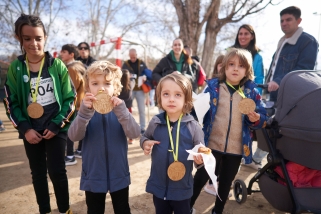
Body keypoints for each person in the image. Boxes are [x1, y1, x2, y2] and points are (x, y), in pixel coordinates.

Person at [3, 14, 76, 214]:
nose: (33, 43)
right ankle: (44, 210)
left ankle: (64, 209)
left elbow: (70, 99)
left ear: (45, 37)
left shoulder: (57, 65)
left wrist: (56, 125)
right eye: (27, 38)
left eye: (38, 38)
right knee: (38, 173)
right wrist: (25, 129)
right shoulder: (16, 68)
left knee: (57, 171)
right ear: (20, 39)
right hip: (31, 131)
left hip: (55, 127)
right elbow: (11, 102)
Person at [190, 48, 268, 214]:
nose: (235, 68)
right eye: (231, 64)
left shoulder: (252, 93)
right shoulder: (212, 88)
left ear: (247, 70)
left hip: (236, 148)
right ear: (224, 67)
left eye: (241, 66)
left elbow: (262, 114)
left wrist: (257, 119)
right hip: (211, 145)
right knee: (201, 177)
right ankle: (187, 206)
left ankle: (217, 210)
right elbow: (197, 109)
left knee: (226, 183)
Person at [250, 6, 319, 170]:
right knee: (268, 125)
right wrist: (268, 83)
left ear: (299, 21)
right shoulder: (283, 42)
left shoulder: (307, 41)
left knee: (277, 127)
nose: (284, 23)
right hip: (274, 93)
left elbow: (303, 70)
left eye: (288, 20)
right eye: (282, 20)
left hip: (291, 96)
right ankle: (259, 158)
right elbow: (274, 68)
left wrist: (279, 81)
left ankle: (271, 161)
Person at [68, 61, 140, 214]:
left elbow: (134, 133)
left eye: (107, 83)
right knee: (94, 210)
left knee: (122, 209)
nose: (101, 88)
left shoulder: (121, 109)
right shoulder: (85, 110)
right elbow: (74, 136)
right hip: (93, 175)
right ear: (88, 87)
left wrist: (122, 112)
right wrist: (84, 114)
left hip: (119, 173)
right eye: (95, 83)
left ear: (115, 87)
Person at [141, 73, 204, 214]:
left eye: (178, 95)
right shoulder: (155, 122)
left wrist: (200, 159)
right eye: (166, 94)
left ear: (186, 99)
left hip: (182, 189)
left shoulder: (194, 127)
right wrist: (145, 143)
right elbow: (144, 137)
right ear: (159, 97)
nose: (171, 99)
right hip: (158, 187)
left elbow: (201, 153)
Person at [60, 44, 86, 165]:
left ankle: (70, 156)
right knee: (80, 127)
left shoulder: (71, 68)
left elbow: (72, 89)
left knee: (69, 129)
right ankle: (79, 150)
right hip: (82, 102)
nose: (61, 53)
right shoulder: (79, 65)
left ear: (71, 54)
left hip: (75, 103)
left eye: (64, 52)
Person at [232, 24, 264, 94]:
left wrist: (256, 99)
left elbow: (259, 80)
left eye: (246, 34)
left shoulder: (257, 57)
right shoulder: (229, 53)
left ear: (252, 36)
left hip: (247, 94)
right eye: (240, 34)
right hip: (229, 92)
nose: (242, 36)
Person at [122, 48, 148, 134]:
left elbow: (146, 72)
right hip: (129, 90)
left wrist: (145, 76)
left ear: (136, 55)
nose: (133, 58)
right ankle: (128, 127)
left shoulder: (142, 63)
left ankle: (142, 128)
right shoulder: (125, 64)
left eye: (134, 56)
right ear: (129, 56)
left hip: (140, 89)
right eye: (131, 56)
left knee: (142, 109)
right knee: (127, 109)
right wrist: (127, 76)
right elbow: (122, 74)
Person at [118, 69, 134, 144]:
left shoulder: (118, 87)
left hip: (120, 107)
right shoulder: (130, 85)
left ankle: (121, 137)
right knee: (129, 123)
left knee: (120, 123)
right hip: (128, 107)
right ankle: (131, 138)